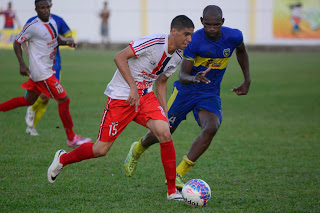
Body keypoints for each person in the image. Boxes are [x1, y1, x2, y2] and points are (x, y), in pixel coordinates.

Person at [47, 15, 194, 201]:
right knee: (100, 149)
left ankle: (172, 191)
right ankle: (62, 159)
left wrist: (164, 110)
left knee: (165, 131)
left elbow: (162, 81)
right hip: (121, 96)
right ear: (174, 31)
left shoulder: (178, 56)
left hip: (145, 97)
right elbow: (119, 57)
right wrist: (132, 87)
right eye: (186, 34)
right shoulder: (154, 42)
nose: (189, 39)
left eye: (191, 35)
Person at [124, 5, 251, 189]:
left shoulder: (234, 36)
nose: (212, 28)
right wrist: (195, 78)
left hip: (209, 93)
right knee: (164, 132)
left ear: (223, 22)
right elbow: (183, 76)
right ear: (202, 22)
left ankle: (178, 174)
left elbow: (241, 51)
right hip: (185, 92)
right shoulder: (194, 42)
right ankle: (138, 149)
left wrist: (247, 80)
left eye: (216, 25)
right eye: (208, 25)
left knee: (212, 126)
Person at [0, 0, 91, 147]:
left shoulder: (52, 22)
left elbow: (56, 39)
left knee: (28, 101)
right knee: (64, 100)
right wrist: (22, 64)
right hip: (42, 74)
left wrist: (67, 42)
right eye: (42, 8)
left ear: (50, 7)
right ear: (36, 9)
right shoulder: (33, 26)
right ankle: (71, 138)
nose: (45, 10)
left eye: (47, 7)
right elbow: (17, 42)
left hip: (46, 71)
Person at [24, 0, 75, 136]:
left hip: (54, 63)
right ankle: (32, 109)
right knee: (43, 94)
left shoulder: (58, 20)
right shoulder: (32, 22)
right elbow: (22, 39)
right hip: (39, 65)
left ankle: (31, 127)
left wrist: (67, 41)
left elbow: (69, 36)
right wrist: (27, 54)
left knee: (47, 97)